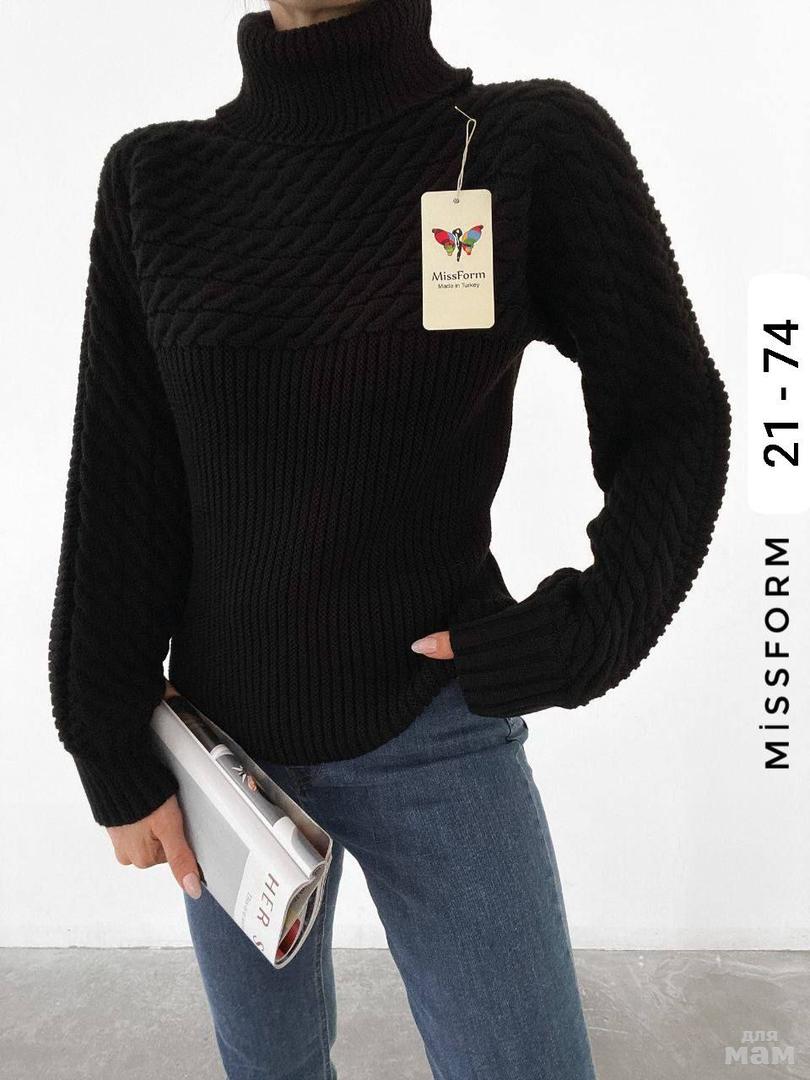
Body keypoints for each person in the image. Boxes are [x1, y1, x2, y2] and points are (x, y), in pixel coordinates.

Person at [47, 0, 732, 1076]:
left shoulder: (520, 149)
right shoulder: (156, 181)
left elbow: (675, 417)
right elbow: (121, 486)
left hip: (437, 726)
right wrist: (106, 737)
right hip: (225, 757)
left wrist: (580, 635)